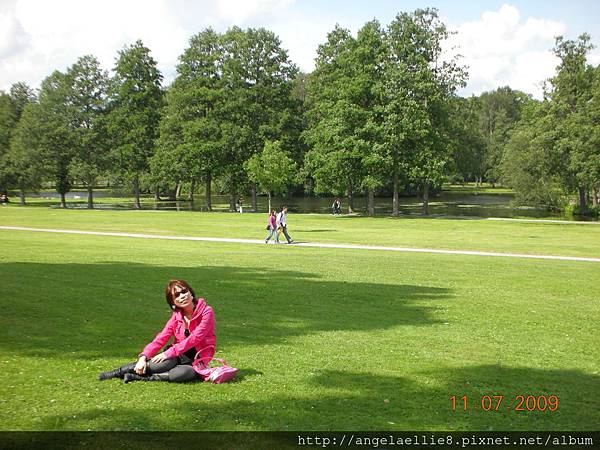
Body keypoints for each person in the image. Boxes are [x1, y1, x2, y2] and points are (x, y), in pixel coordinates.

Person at [98, 279, 216, 383]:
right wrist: (143, 357)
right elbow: (162, 337)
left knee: (183, 374)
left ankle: (140, 378)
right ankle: (116, 373)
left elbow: (195, 338)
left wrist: (167, 353)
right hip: (178, 353)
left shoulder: (206, 311)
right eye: (177, 295)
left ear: (191, 292)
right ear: (173, 302)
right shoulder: (177, 316)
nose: (182, 296)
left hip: (198, 357)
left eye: (184, 291)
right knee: (158, 365)